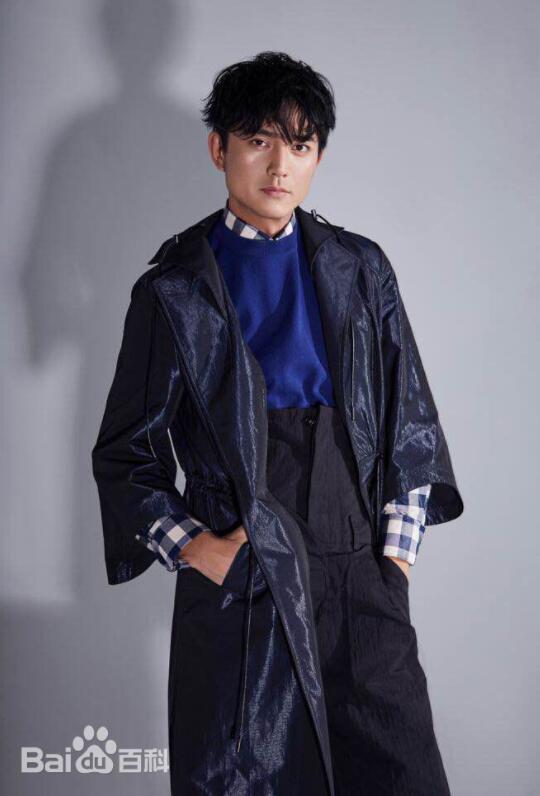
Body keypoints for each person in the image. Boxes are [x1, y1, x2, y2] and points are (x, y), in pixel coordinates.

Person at [92, 51, 464, 796]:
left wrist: (391, 564)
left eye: (299, 144)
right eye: (259, 139)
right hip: (244, 569)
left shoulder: (361, 269)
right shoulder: (175, 289)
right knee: (248, 777)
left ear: (317, 155)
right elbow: (126, 454)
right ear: (219, 148)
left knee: (398, 772)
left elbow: (411, 420)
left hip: (356, 568)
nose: (279, 164)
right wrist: (198, 549)